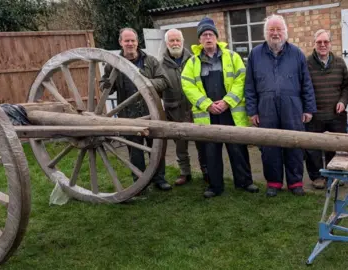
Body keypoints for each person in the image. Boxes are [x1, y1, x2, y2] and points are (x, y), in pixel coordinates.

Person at [181, 17, 259, 198]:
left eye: (211, 34)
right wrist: (207, 104)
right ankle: (215, 186)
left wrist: (227, 102)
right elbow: (187, 85)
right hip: (207, 115)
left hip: (230, 113)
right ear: (199, 40)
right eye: (204, 35)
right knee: (211, 152)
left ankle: (245, 182)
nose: (208, 38)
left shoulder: (232, 57)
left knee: (238, 149)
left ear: (217, 37)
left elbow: (241, 80)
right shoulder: (192, 63)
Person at [245, 14, 316, 197]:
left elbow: (306, 83)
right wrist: (252, 110)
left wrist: (308, 108)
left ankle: (295, 182)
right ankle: (274, 183)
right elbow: (250, 85)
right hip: (266, 106)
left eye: (279, 29)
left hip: (292, 105)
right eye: (271, 30)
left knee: (294, 143)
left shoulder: (297, 53)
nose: (275, 33)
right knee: (269, 146)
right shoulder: (255, 54)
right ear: (266, 33)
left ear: (285, 32)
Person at [100, 27, 172, 192]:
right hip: (128, 114)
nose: (130, 44)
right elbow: (106, 88)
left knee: (156, 147)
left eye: (133, 40)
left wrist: (145, 82)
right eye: (127, 41)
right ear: (121, 43)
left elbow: (164, 81)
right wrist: (105, 85)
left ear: (138, 42)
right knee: (135, 151)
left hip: (151, 112)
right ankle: (139, 182)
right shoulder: (113, 64)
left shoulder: (151, 62)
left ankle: (159, 179)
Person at [305, 29, 348, 189]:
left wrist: (343, 101)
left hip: (336, 114)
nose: (323, 45)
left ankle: (336, 175)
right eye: (319, 42)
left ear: (330, 44)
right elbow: (302, 88)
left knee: (337, 147)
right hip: (314, 115)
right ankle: (317, 177)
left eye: (326, 42)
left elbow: (347, 85)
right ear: (314, 44)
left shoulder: (339, 62)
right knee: (313, 148)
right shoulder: (306, 64)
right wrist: (307, 109)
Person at [161, 28, 208, 185]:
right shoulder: (160, 65)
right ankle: (185, 173)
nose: (175, 43)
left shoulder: (194, 60)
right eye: (172, 41)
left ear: (182, 42)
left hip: (195, 108)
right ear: (167, 43)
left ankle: (206, 171)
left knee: (202, 142)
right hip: (174, 109)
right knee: (180, 145)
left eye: (177, 40)